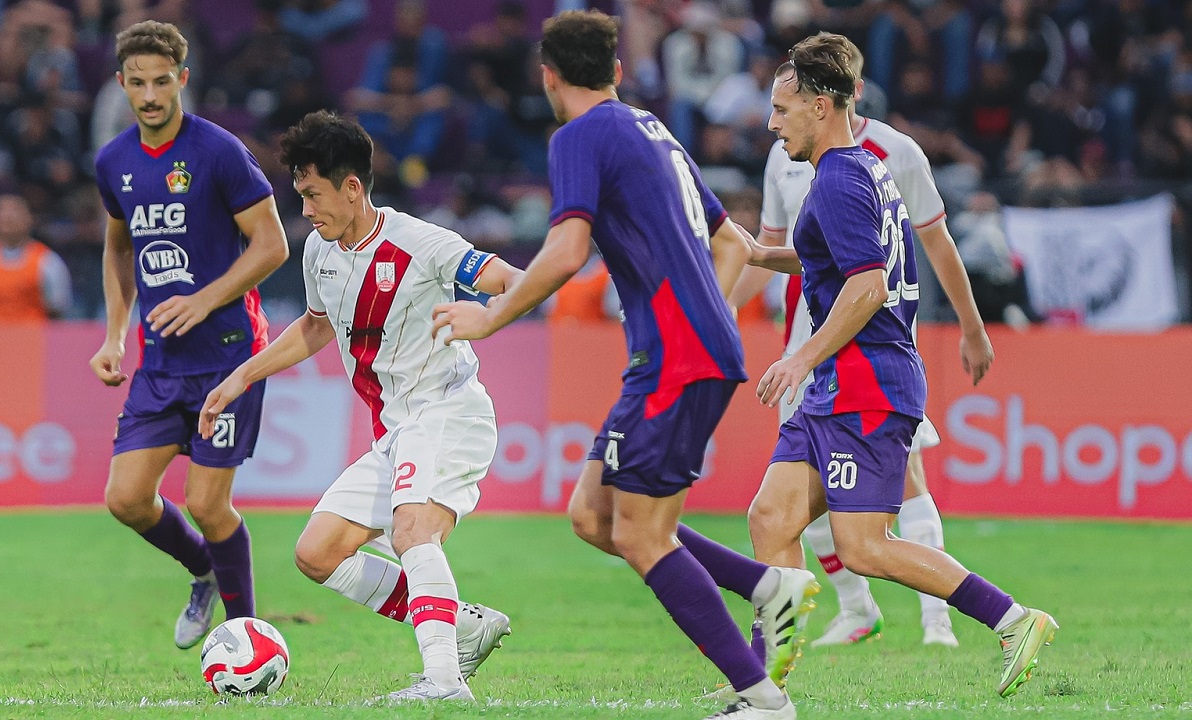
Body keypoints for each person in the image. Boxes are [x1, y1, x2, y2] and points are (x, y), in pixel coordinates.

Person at [432, 11, 813, 720]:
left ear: (547, 77)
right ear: (614, 70)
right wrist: (708, 318)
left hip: (677, 355)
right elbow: (731, 242)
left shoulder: (579, 136)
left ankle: (763, 700)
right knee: (593, 514)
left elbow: (567, 251)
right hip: (672, 353)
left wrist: (491, 315)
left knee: (640, 533)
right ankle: (766, 587)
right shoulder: (652, 128)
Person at [742, 33, 1056, 697]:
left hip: (866, 384)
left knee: (863, 546)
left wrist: (799, 357)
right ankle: (762, 679)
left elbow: (867, 287)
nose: (771, 124)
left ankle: (1015, 619)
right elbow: (824, 258)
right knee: (771, 517)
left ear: (822, 106)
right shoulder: (860, 167)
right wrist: (741, 249)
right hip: (839, 384)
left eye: (781, 109)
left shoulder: (837, 183)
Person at [201, 111, 520, 702]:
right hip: (397, 431)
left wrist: (487, 315)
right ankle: (463, 625)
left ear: (353, 187)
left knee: (412, 530)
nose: (306, 210)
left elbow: (515, 281)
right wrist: (240, 377)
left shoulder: (421, 243)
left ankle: (444, 685)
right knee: (317, 553)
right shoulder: (320, 253)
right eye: (300, 194)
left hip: (448, 412)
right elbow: (316, 328)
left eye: (314, 194)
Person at [89, 21, 290, 649]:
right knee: (125, 499)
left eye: (162, 81)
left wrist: (204, 300)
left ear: (182, 79)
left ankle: (245, 639)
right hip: (159, 363)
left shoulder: (219, 151)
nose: (150, 95)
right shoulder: (114, 161)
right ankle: (203, 570)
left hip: (228, 356)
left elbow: (273, 244)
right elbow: (118, 246)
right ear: (122, 84)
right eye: (138, 84)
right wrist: (115, 335)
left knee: (208, 504)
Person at [0, 194, 72, 322]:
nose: (8, 217)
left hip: (32, 338)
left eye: (15, 210)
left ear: (30, 218)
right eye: (1, 211)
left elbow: (57, 309)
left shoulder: (48, 261)